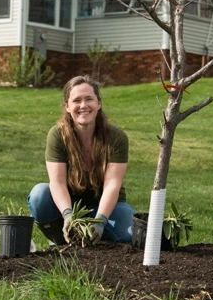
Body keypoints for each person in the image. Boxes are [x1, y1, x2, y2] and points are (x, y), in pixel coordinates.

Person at [28, 75, 135, 244]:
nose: (83, 105)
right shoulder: (57, 135)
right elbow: (57, 183)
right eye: (76, 100)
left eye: (89, 99)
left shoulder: (116, 137)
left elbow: (112, 184)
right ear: (67, 107)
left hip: (106, 206)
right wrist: (69, 215)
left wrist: (100, 221)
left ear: (98, 104)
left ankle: (97, 237)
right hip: (70, 204)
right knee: (39, 195)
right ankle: (62, 238)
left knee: (131, 234)